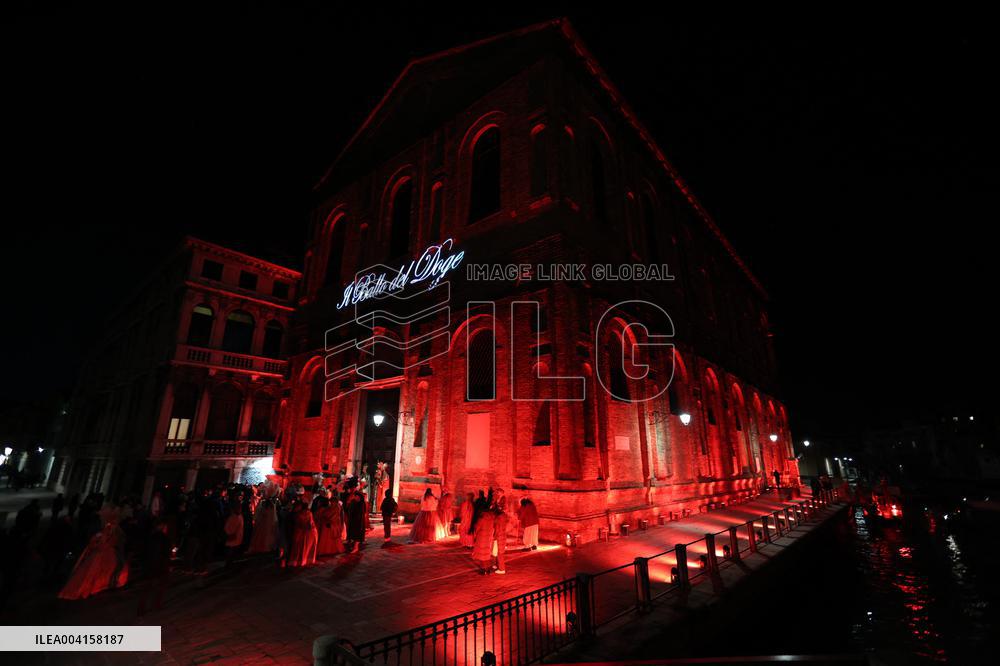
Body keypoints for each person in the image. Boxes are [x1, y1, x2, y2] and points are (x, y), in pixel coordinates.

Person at [58, 518, 129, 600]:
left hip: (104, 553)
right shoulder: (112, 529)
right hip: (105, 552)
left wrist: (97, 540)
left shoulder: (109, 529)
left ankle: (97, 586)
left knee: (96, 571)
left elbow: (103, 541)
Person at [138, 518, 171, 615]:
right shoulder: (164, 539)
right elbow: (165, 554)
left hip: (148, 566)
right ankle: (157, 605)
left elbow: (143, 552)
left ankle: (141, 608)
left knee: (147, 588)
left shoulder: (148, 537)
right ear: (162, 526)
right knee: (160, 586)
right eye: (165, 526)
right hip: (160, 566)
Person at [287, 501, 318, 567]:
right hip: (308, 532)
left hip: (301, 532)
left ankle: (298, 561)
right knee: (305, 547)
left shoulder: (299, 514)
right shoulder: (308, 513)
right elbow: (309, 524)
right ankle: (304, 560)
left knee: (299, 547)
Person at [471, 506, 496, 574]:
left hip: (481, 538)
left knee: (481, 554)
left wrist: (475, 536)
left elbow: (477, 528)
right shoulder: (492, 519)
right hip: (488, 537)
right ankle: (487, 569)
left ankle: (483, 569)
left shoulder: (481, 519)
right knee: (486, 554)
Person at [492, 491, 509, 574]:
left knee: (499, 552)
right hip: (501, 536)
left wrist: (494, 536)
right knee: (496, 551)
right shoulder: (502, 518)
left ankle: (502, 569)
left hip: (499, 537)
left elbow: (497, 528)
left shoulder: (499, 518)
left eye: (499, 492)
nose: (497, 494)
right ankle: (496, 565)